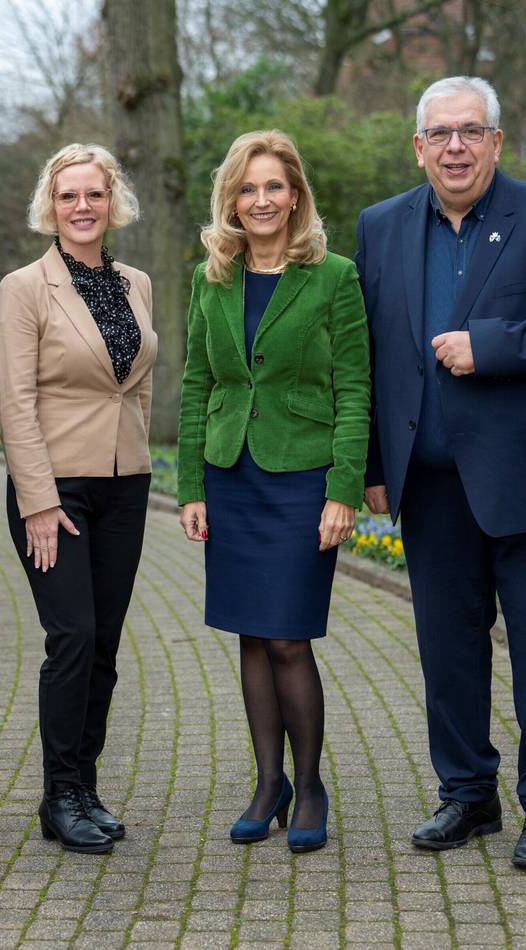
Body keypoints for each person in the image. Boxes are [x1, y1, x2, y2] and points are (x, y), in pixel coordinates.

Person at [178, 131, 370, 853]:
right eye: (247, 188)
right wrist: (191, 485)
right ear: (232, 198)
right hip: (231, 477)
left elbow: (355, 387)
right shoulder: (211, 277)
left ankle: (311, 782)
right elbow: (197, 383)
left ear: (295, 196)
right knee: (252, 634)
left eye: (273, 187)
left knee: (289, 636)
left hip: (301, 479)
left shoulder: (334, 277)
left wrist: (343, 488)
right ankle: (269, 782)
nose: (261, 200)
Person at [356, 76, 526, 864]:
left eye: (471, 131)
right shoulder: (381, 226)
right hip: (428, 485)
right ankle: (467, 797)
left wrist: (489, 348)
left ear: (497, 140)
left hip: (518, 481)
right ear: (418, 146)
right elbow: (367, 358)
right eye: (440, 134)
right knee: (449, 652)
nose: (455, 146)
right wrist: (371, 469)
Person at [0, 143, 157, 854]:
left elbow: (140, 383)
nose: (82, 207)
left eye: (94, 194)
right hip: (54, 491)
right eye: (69, 196)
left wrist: (141, 457)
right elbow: (15, 400)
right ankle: (59, 794)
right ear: (50, 207)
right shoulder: (25, 287)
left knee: (106, 643)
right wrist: (36, 498)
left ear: (112, 201)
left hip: (126, 487)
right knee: (73, 638)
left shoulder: (136, 283)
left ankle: (85, 787)